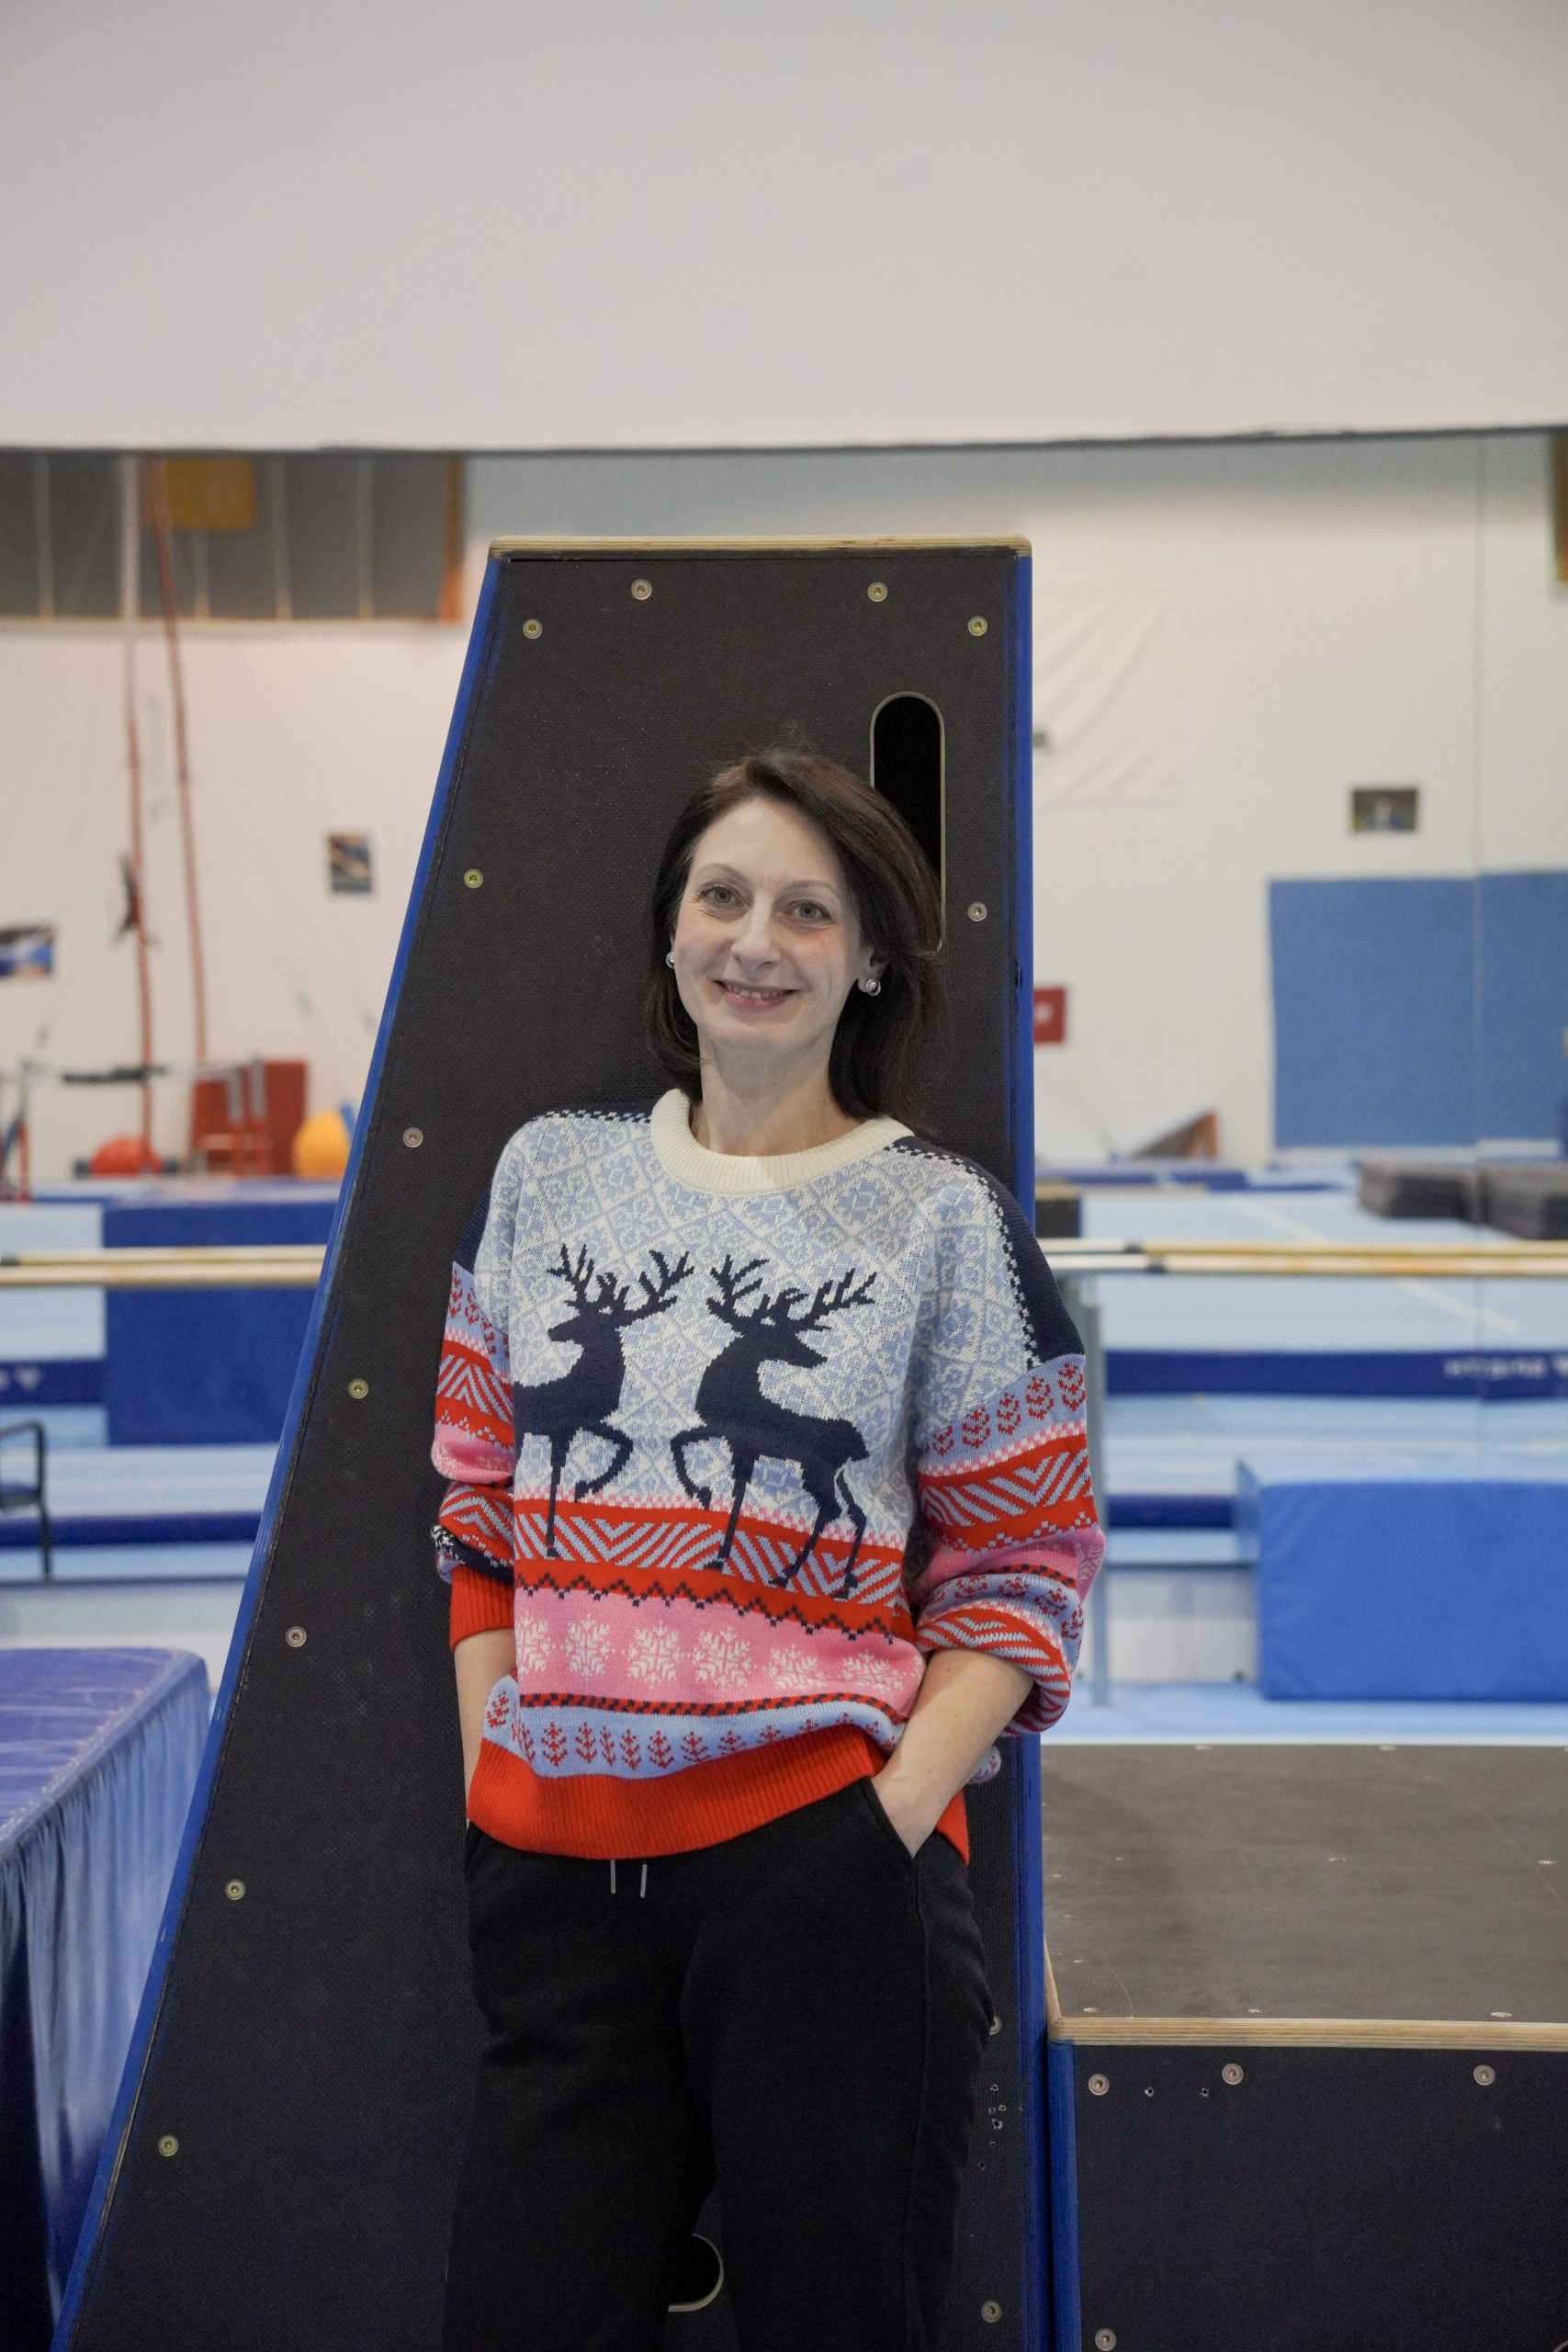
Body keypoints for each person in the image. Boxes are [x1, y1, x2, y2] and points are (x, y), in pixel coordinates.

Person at [432, 747, 1104, 2352]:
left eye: (811, 911)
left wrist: (881, 1823)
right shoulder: (548, 1175)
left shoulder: (944, 1220)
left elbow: (1028, 1570)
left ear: (870, 956)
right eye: (723, 896)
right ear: (671, 927)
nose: (757, 940)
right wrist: (497, 1766)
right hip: (558, 1869)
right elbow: (476, 1497)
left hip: (823, 1879)